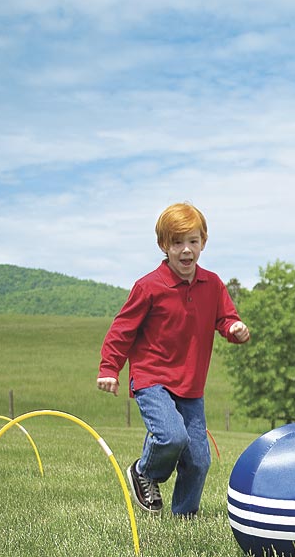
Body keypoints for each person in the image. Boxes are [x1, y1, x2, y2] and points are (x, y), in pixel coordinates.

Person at [97, 202, 250, 517]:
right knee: (171, 435)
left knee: (199, 460)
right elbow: (122, 330)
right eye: (177, 242)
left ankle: (184, 517)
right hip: (152, 378)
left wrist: (234, 329)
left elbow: (226, 319)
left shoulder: (212, 284)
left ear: (203, 242)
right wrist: (110, 368)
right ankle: (144, 472)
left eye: (192, 241)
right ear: (163, 246)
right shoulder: (149, 286)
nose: (185, 250)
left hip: (191, 384)